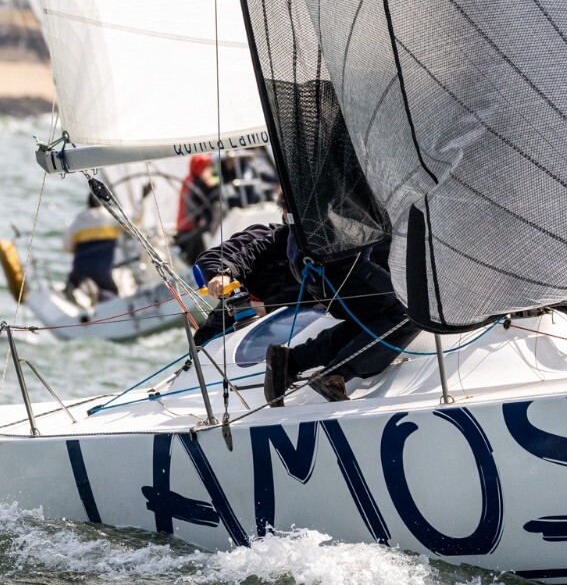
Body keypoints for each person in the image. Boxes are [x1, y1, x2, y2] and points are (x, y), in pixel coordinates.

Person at [195, 210, 418, 405]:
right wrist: (221, 275)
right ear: (285, 215)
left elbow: (305, 294)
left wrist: (269, 306)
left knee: (383, 315)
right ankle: (320, 370)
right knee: (406, 312)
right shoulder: (270, 237)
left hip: (274, 330)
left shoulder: (318, 251)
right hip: (221, 336)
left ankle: (298, 363)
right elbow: (217, 257)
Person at [64, 190, 123, 305]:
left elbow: (67, 247)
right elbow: (134, 219)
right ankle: (100, 296)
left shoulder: (77, 222)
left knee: (74, 279)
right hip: (102, 271)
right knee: (111, 291)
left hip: (80, 269)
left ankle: (73, 286)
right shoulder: (111, 218)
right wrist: (142, 201)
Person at [174, 154, 220, 263]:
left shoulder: (196, 179)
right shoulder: (191, 182)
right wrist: (199, 219)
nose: (209, 169)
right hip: (190, 228)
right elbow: (190, 205)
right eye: (206, 166)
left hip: (194, 225)